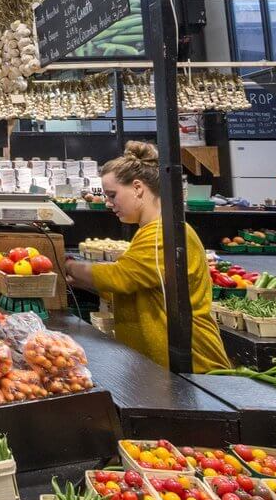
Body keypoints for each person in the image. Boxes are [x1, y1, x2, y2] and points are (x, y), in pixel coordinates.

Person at [63, 141, 229, 373]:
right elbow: (142, 288)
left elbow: (123, 277)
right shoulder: (153, 230)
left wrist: (69, 266)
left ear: (138, 187)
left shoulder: (163, 232)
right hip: (161, 366)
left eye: (112, 195)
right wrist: (84, 282)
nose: (109, 203)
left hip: (192, 365)